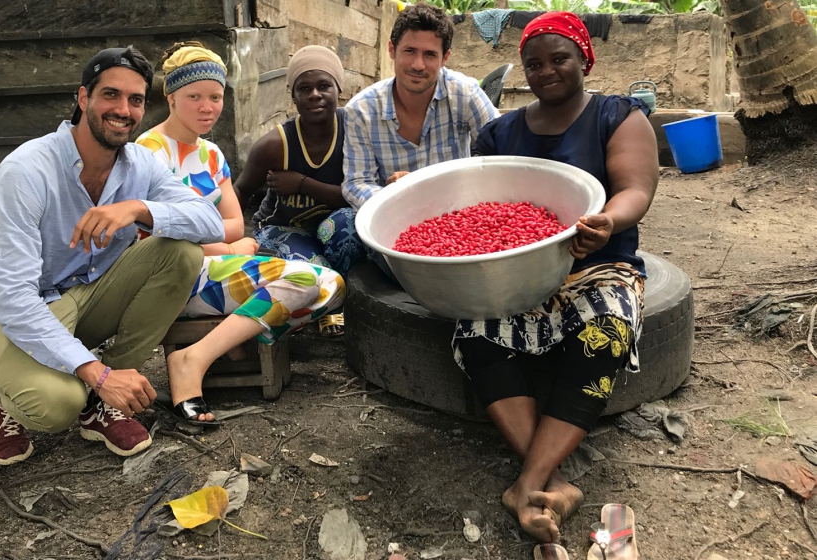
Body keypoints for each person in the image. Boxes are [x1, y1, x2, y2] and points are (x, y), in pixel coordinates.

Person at [0, 47, 225, 466]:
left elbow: (210, 221)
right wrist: (95, 373)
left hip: (85, 297)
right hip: (3, 317)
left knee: (182, 253)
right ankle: (7, 397)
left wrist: (138, 209)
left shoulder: (141, 165)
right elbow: (12, 298)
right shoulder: (26, 171)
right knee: (56, 405)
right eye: (110, 96)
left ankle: (104, 402)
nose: (123, 110)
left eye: (135, 100)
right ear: (83, 98)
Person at [453, 12, 658, 544]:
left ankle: (525, 484)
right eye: (534, 63)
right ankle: (553, 482)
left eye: (559, 58)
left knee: (607, 327)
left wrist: (607, 221)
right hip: (517, 269)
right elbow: (477, 206)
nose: (546, 71)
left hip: (598, 265)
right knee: (475, 328)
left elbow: (635, 188)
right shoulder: (500, 132)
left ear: (583, 59)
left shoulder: (618, 116)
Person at [135, 43, 346, 424]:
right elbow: (154, 234)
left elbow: (234, 221)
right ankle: (192, 360)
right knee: (307, 278)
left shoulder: (212, 154)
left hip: (212, 270)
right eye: (194, 96)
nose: (207, 107)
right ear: (171, 97)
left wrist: (221, 239)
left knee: (331, 286)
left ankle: (214, 348)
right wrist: (226, 245)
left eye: (215, 97)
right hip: (171, 277)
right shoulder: (148, 152)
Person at [235, 45, 366, 335]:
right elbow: (241, 191)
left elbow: (359, 195)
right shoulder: (275, 145)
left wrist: (302, 184)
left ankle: (345, 305)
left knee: (349, 227)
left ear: (338, 89)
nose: (315, 95)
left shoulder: (355, 131)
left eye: (324, 86)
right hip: (284, 228)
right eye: (304, 88)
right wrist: (231, 241)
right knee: (316, 273)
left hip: (333, 224)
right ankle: (328, 309)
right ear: (293, 97)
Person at [342, 2, 499, 213]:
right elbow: (356, 183)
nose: (418, 65)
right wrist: (392, 195)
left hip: (460, 211)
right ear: (392, 50)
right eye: (409, 51)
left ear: (445, 58)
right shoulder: (361, 111)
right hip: (396, 215)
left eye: (430, 54)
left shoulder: (465, 93)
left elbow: (500, 153)